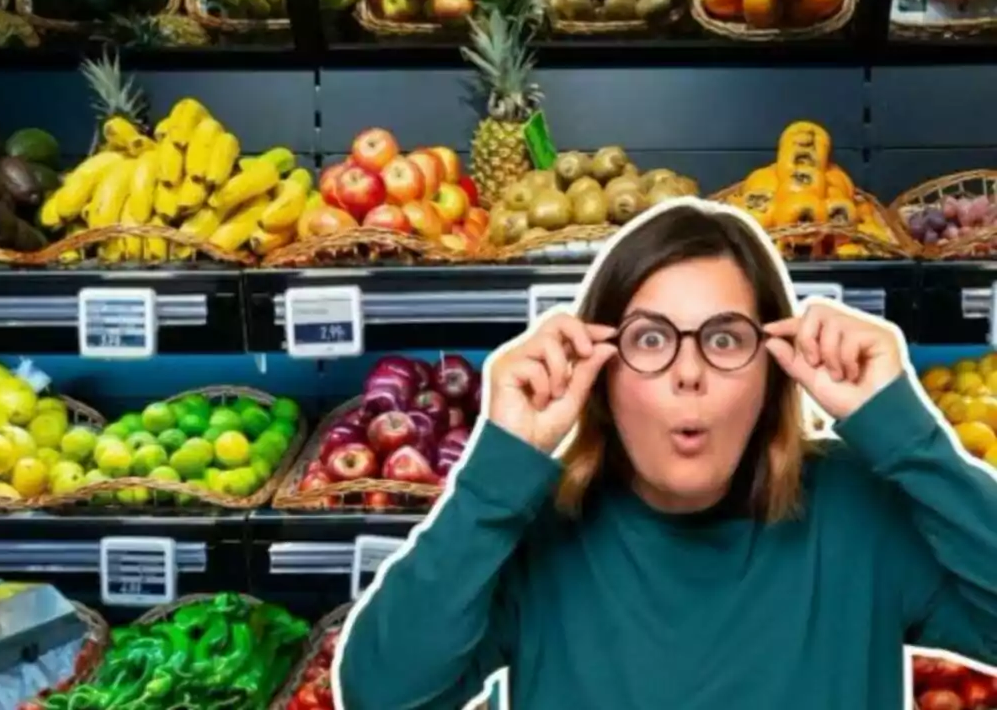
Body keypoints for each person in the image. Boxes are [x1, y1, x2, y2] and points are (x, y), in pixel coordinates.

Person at [334, 199, 997, 710]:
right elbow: (384, 692)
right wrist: (495, 473)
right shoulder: (536, 529)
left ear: (773, 372)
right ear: (600, 375)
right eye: (650, 341)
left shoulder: (861, 513)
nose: (688, 372)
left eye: (725, 339)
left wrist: (902, 429)